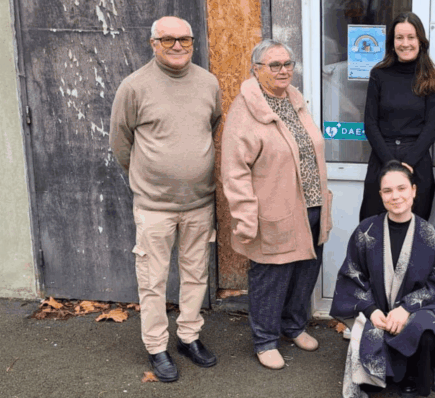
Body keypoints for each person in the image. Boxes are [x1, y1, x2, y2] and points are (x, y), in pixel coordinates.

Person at [108, 16, 222, 382]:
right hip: (154, 207)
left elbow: (213, 126)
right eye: (168, 39)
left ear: (193, 43)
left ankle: (189, 337)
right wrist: (149, 177)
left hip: (199, 203)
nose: (177, 46)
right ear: (153, 43)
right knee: (152, 280)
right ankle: (156, 346)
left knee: (195, 276)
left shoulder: (208, 83)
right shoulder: (134, 86)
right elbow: (120, 142)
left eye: (185, 40)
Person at [221, 39, 332, 370]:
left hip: (312, 206)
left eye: (288, 64)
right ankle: (265, 339)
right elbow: (234, 170)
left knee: (305, 269)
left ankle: (293, 326)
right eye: (275, 65)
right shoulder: (247, 110)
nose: (284, 70)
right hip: (274, 209)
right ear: (256, 69)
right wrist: (245, 216)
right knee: (272, 275)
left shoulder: (294, 99)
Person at [332, 161, 435, 397]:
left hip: (416, 313)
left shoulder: (432, 237)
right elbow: (352, 275)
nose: (395, 196)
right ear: (380, 195)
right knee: (371, 383)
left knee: (425, 328)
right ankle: (388, 373)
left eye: (402, 188)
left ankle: (415, 378)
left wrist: (407, 309)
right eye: (388, 191)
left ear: (413, 190)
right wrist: (370, 310)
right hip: (379, 313)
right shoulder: (366, 231)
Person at [358, 13, 435, 222]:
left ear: (420, 41)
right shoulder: (379, 74)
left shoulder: (430, 77)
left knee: (415, 232)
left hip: (417, 162)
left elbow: (431, 127)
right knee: (373, 229)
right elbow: (370, 123)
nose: (405, 43)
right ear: (392, 42)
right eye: (399, 38)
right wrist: (391, 164)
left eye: (411, 37)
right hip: (382, 159)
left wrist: (407, 164)